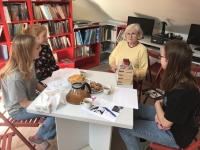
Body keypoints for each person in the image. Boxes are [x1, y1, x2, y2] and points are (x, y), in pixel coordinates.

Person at [119, 40, 200, 150]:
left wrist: (158, 106)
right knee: (130, 110)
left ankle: (141, 138)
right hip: (170, 117)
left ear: (170, 61)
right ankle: (143, 137)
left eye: (161, 56)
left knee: (124, 128)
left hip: (176, 135)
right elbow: (168, 103)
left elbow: (166, 123)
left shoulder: (182, 92)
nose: (159, 58)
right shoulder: (179, 78)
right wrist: (159, 116)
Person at [0, 34, 56, 150]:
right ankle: (38, 137)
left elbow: (35, 83)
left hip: (31, 98)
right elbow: (24, 104)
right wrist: (48, 103)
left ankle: (46, 126)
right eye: (37, 48)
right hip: (19, 110)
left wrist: (49, 92)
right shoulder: (15, 77)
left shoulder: (28, 63)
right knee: (55, 112)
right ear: (27, 52)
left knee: (58, 103)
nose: (40, 49)